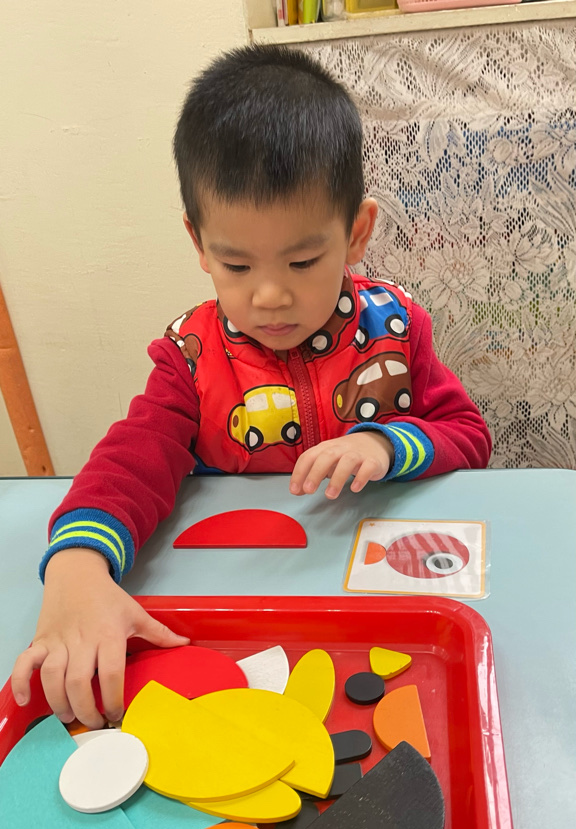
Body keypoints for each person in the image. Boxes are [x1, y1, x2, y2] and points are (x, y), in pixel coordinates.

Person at [10, 45, 491, 728]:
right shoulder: (190, 358)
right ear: (199, 244)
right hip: (234, 608)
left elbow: (468, 436)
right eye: (236, 265)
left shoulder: (395, 328)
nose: (269, 296)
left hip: (370, 606)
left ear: (356, 234)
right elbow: (132, 459)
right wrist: (78, 564)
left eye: (303, 260)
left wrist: (387, 446)